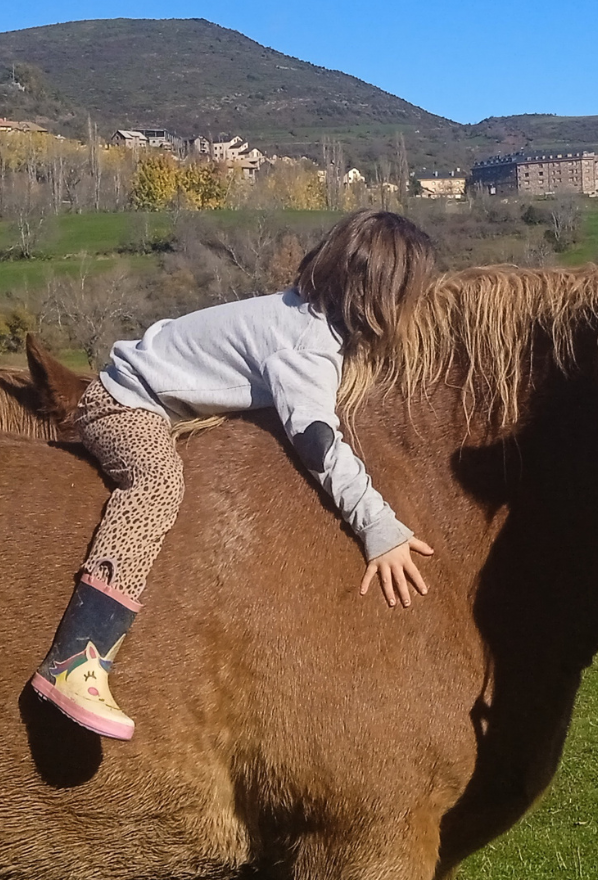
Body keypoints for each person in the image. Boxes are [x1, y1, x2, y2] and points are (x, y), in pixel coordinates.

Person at [30, 210, 439, 740]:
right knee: (156, 486)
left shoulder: (299, 315)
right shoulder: (304, 348)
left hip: (151, 396)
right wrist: (379, 527)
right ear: (382, 296)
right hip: (123, 404)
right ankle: (77, 657)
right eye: (413, 297)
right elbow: (319, 444)